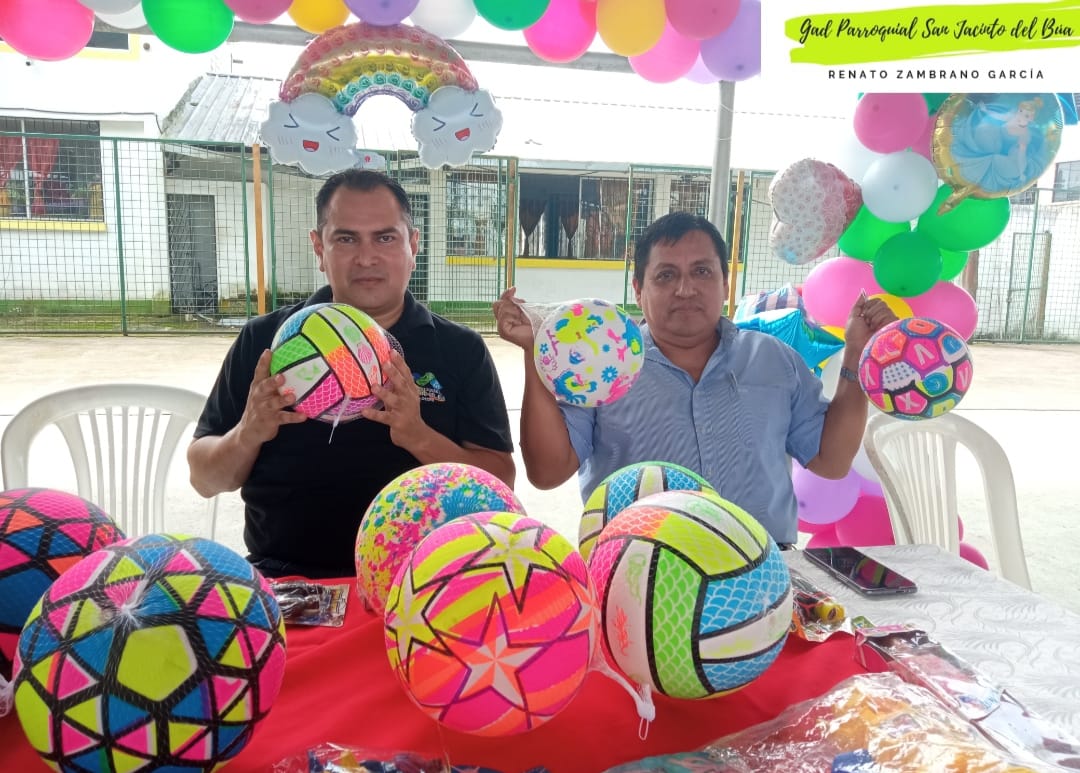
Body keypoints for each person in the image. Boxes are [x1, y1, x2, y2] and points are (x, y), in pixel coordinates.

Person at [492, 211, 895, 548]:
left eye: (702, 271)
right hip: (636, 576)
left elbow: (831, 461)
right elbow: (548, 473)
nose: (685, 289)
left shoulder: (773, 360)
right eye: (666, 275)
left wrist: (857, 354)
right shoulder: (604, 363)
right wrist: (535, 353)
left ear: (725, 282)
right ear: (638, 289)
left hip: (763, 571)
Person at [189, 169, 515, 578]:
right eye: (346, 239)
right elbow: (204, 479)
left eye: (385, 238)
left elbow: (500, 485)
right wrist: (248, 432)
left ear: (413, 245)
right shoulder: (265, 340)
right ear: (319, 247)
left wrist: (418, 435)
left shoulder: (459, 349)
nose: (366, 258)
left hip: (424, 582)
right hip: (287, 577)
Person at [950, 96, 1049, 194]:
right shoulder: (1011, 116)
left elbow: (1021, 155)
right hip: (994, 142)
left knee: (994, 160)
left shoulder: (1025, 135)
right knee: (985, 129)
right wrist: (985, 110)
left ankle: (973, 179)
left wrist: (1021, 173)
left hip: (1006, 158)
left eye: (1026, 116)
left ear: (1031, 118)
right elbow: (997, 116)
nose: (1021, 116)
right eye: (1020, 111)